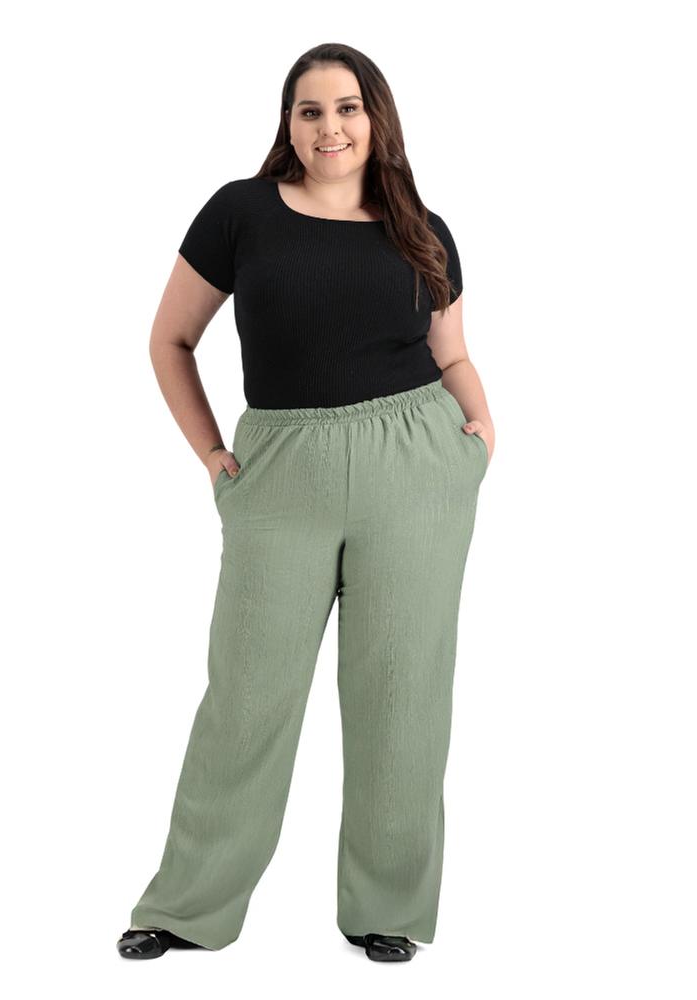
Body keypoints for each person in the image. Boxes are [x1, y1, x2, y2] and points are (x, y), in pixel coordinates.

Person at [117, 42, 495, 964]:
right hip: (280, 472)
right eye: (310, 110)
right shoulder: (240, 213)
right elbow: (170, 339)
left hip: (416, 468)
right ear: (288, 123)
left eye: (348, 108)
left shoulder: (423, 228)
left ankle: (387, 909)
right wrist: (214, 456)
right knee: (247, 694)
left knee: (402, 693)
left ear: (376, 118)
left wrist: (480, 438)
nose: (331, 127)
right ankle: (188, 907)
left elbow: (450, 352)